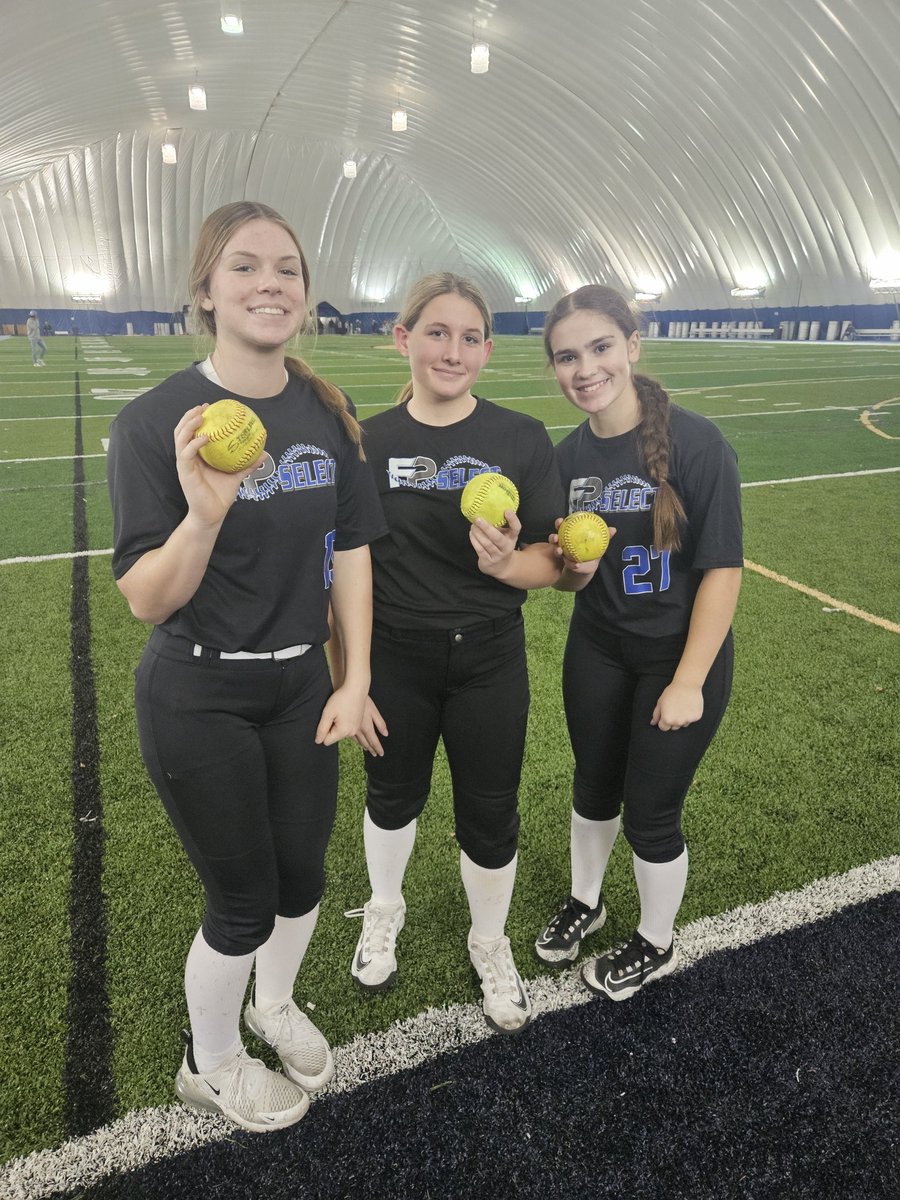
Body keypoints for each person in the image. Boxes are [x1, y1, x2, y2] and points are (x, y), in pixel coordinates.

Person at [107, 201, 385, 1131]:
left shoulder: (329, 413)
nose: (271, 283)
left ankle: (271, 1005)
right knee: (242, 900)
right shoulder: (157, 423)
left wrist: (354, 679)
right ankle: (211, 1061)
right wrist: (204, 513)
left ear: (305, 294)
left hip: (303, 684)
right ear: (206, 291)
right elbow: (148, 597)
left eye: (288, 269)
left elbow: (351, 553)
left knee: (302, 879)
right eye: (245, 267)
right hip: (201, 690)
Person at [332, 272, 581, 1036]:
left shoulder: (519, 438)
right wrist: (352, 678)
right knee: (391, 796)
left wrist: (507, 562)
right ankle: (384, 910)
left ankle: (489, 941)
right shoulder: (366, 440)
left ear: (488, 350)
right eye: (436, 333)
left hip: (489, 658)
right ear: (403, 340)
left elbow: (556, 567)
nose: (453, 350)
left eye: (470, 337)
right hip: (396, 658)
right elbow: (347, 572)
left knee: (490, 812)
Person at [534, 284, 742, 1001]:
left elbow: (721, 570)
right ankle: (586, 902)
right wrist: (574, 573)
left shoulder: (698, 443)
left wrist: (688, 680)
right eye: (567, 357)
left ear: (632, 344)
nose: (584, 368)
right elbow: (567, 580)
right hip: (597, 649)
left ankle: (656, 939)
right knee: (593, 787)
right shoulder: (565, 460)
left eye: (599, 348)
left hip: (676, 659)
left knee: (651, 811)